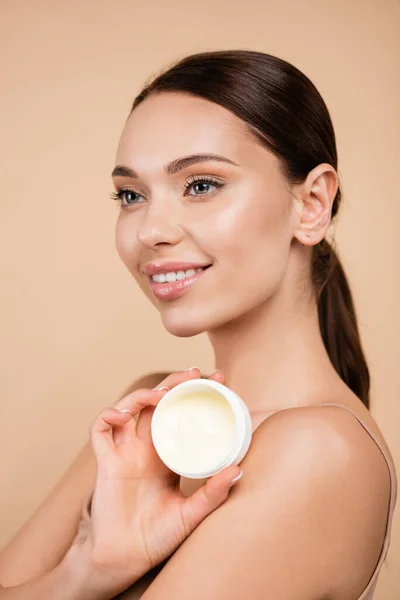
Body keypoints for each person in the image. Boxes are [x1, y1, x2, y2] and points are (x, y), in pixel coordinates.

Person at [0, 49, 397, 599]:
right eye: (131, 195)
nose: (151, 231)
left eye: (201, 185)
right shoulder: (148, 412)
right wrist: (91, 570)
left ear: (311, 205)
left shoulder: (319, 452)